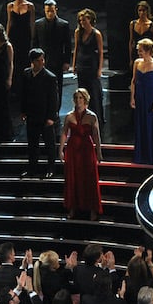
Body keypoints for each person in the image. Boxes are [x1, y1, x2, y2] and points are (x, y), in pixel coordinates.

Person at [61, 88, 103, 220]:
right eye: (76, 98)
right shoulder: (69, 116)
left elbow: (96, 136)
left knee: (89, 178)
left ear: (85, 100)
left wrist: (99, 152)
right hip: (73, 150)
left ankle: (92, 209)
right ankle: (73, 207)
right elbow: (64, 133)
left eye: (81, 98)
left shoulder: (92, 116)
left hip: (86, 150)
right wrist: (61, 149)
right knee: (73, 178)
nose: (78, 101)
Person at [20, 48, 58, 179]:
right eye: (38, 60)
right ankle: (32, 168)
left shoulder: (50, 77)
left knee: (49, 144)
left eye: (43, 59)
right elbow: (23, 94)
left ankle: (51, 168)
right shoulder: (26, 74)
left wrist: (51, 117)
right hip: (32, 115)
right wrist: (23, 111)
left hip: (45, 116)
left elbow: (53, 99)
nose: (42, 62)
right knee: (32, 144)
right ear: (32, 62)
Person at [131, 37, 153, 164]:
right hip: (140, 97)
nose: (139, 53)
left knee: (152, 125)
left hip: (151, 97)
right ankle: (141, 156)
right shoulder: (137, 62)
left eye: (141, 50)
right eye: (138, 50)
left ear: (148, 50)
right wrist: (132, 97)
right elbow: (133, 81)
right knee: (140, 124)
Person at [73, 9, 106, 127]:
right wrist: (74, 65)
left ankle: (97, 120)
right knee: (82, 93)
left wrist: (99, 69)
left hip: (92, 65)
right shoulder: (78, 32)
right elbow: (76, 49)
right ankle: (83, 118)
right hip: (81, 65)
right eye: (80, 20)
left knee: (94, 93)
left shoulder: (96, 34)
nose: (82, 22)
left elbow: (101, 52)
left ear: (90, 20)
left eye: (84, 20)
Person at [6, 0, 36, 73]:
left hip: (25, 35)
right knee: (14, 58)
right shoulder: (10, 6)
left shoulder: (30, 6)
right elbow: (9, 22)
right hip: (14, 36)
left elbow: (32, 23)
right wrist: (7, 37)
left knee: (25, 58)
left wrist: (33, 37)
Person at [129, 1, 153, 66]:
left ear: (147, 11)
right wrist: (131, 58)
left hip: (148, 54)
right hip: (136, 53)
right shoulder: (133, 24)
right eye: (140, 10)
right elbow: (131, 41)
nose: (142, 12)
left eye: (144, 10)